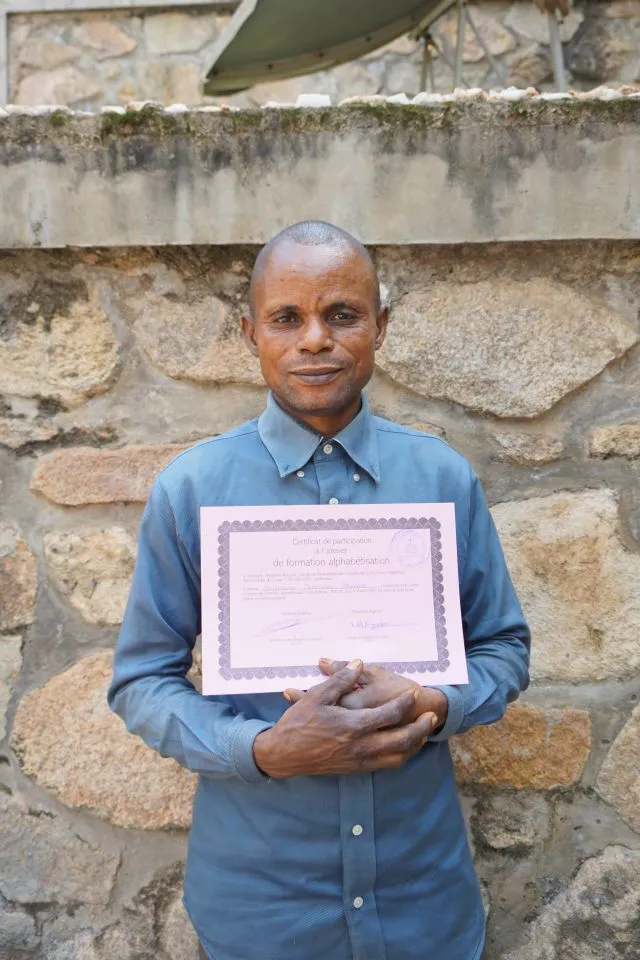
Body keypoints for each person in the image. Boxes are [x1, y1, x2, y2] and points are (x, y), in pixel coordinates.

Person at [108, 220, 530, 960]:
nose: (314, 340)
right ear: (251, 333)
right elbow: (142, 681)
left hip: (423, 902)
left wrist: (433, 703)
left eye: (341, 314)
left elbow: (504, 647)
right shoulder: (193, 489)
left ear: (379, 326)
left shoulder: (441, 478)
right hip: (262, 910)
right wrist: (263, 749)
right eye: (286, 318)